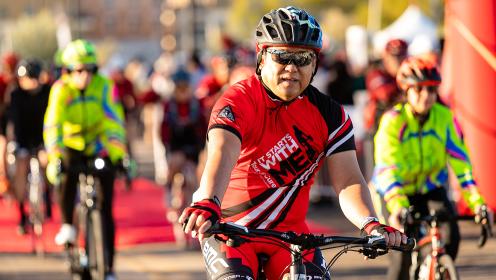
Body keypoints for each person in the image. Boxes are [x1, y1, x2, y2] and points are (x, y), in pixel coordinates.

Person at [179, 6, 407, 280]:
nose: (292, 68)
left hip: (292, 239)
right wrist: (208, 201)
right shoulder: (237, 101)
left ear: (315, 64)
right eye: (282, 56)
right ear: (262, 58)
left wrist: (370, 224)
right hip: (232, 231)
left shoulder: (330, 115)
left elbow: (347, 180)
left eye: (303, 58)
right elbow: (222, 152)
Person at [371, 56, 493, 280]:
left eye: (432, 90)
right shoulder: (392, 121)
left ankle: (434, 265)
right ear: (406, 91)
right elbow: (388, 170)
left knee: (450, 237)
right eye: (418, 90)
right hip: (395, 193)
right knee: (400, 261)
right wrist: (398, 207)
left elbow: (461, 164)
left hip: (430, 187)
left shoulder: (445, 117)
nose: (426, 97)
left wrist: (478, 204)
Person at [43, 39, 126, 280]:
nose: (85, 75)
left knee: (107, 207)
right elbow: (53, 125)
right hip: (71, 144)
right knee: (66, 171)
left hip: (98, 144)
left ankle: (108, 267)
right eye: (78, 70)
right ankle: (68, 225)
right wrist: (54, 156)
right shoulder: (60, 89)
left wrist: (118, 155)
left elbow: (114, 121)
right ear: (67, 70)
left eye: (90, 69)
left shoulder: (104, 86)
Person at [161, 68, 206, 247]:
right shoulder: (169, 106)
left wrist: (201, 152)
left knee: (194, 183)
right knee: (175, 164)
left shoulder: (196, 105)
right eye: (178, 88)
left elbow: (203, 128)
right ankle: (169, 190)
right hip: (176, 148)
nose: (182, 91)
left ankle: (194, 225)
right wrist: (168, 151)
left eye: (184, 87)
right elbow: (163, 131)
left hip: (193, 149)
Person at [9, 58, 51, 234]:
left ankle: (48, 198)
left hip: (44, 139)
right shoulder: (16, 95)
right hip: (23, 140)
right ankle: (21, 214)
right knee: (21, 170)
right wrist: (16, 144)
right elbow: (13, 122)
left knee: (47, 165)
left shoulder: (48, 93)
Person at [0, 52, 19, 195]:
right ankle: (4, 176)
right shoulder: (2, 81)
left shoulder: (21, 80)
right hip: (3, 120)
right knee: (3, 145)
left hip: (18, 119)